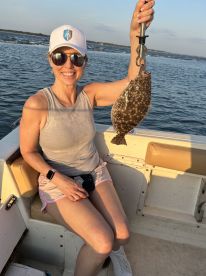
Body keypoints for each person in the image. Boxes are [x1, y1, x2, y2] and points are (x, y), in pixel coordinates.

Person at [20, 1, 154, 275]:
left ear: (85, 62)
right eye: (60, 57)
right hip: (57, 183)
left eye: (76, 58)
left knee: (122, 235)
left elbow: (134, 82)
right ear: (49, 59)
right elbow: (28, 152)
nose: (68, 65)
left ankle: (112, 258)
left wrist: (134, 34)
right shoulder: (36, 104)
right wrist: (60, 179)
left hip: (95, 173)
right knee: (103, 241)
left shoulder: (90, 94)